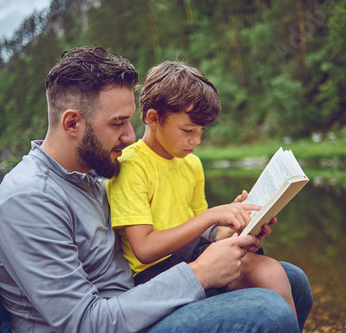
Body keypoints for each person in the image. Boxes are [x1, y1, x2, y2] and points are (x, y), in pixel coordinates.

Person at [0, 46, 312, 333]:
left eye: (130, 121)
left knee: (292, 281)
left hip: (134, 305)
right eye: (117, 123)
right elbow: (86, 323)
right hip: (114, 323)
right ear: (72, 124)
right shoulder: (30, 200)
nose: (130, 136)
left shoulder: (89, 174)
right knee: (267, 312)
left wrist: (220, 236)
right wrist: (200, 274)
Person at [106, 61, 297, 318]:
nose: (196, 140)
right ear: (153, 119)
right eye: (188, 130)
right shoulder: (132, 166)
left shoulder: (192, 163)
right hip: (156, 275)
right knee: (269, 274)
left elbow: (205, 234)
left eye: (201, 131)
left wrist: (234, 227)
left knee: (275, 273)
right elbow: (144, 249)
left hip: (193, 255)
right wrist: (211, 215)